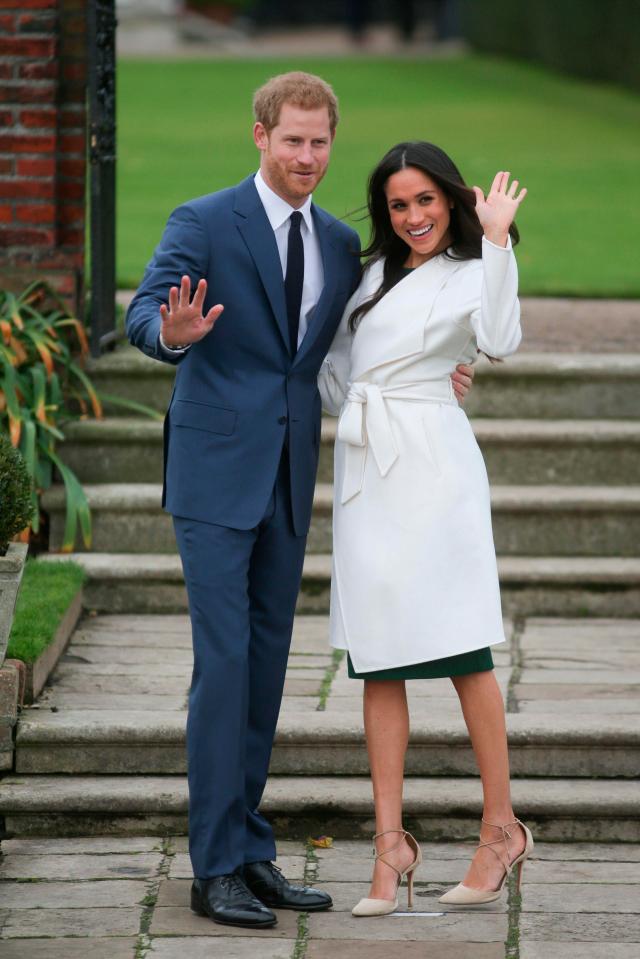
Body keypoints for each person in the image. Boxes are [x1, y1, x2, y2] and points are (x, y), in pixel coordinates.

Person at [126, 72, 476, 930]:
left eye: (321, 142)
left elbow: (341, 362)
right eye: (293, 140)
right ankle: (214, 865)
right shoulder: (203, 221)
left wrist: (432, 376)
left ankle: (250, 849)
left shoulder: (334, 241)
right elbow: (142, 315)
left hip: (288, 476)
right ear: (260, 135)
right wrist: (172, 335)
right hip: (212, 478)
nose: (308, 157)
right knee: (224, 666)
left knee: (268, 668)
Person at [319, 142, 534, 917]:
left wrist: (500, 240)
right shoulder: (371, 277)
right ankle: (388, 848)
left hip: (435, 470)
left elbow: (502, 338)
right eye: (399, 204)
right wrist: (384, 385)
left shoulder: (476, 271)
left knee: (461, 647)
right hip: (368, 465)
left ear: (453, 202)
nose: (413, 217)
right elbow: (338, 369)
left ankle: (500, 828)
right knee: (378, 656)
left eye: (426, 202)